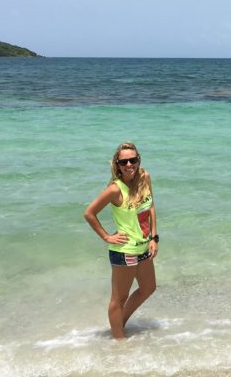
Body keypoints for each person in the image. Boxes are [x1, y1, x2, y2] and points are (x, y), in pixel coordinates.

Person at [84, 142, 158, 338]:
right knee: (119, 298)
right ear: (117, 165)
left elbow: (151, 207)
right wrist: (107, 236)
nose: (129, 165)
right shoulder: (115, 189)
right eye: (123, 162)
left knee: (148, 287)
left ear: (138, 160)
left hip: (143, 247)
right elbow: (89, 213)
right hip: (125, 251)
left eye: (132, 160)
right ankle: (119, 341)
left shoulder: (145, 177)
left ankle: (119, 324)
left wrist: (154, 238)